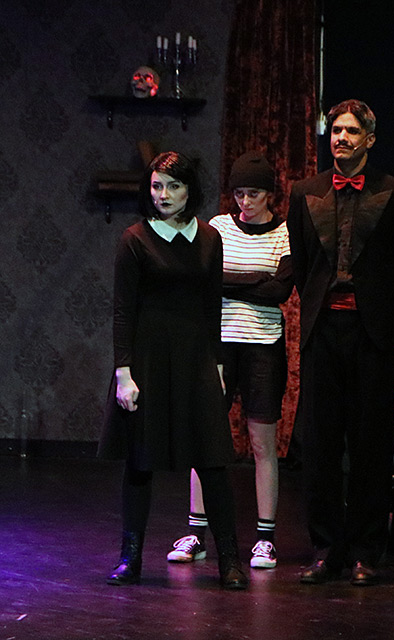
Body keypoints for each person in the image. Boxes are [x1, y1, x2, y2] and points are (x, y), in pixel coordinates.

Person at [98, 151, 247, 590]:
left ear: (189, 190)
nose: (163, 195)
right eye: (157, 186)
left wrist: (218, 364)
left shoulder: (209, 238)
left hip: (196, 359)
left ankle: (230, 560)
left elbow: (212, 306)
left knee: (213, 462)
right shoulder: (134, 239)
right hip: (148, 360)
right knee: (140, 462)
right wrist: (124, 372)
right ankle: (130, 558)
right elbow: (123, 311)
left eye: (173, 186)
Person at [287, 99, 394, 586]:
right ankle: (325, 548)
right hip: (323, 329)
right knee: (320, 443)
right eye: (336, 130)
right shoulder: (305, 191)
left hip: (372, 332)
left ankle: (366, 550)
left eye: (351, 131)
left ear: (370, 139)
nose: (341, 138)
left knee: (370, 443)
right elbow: (302, 262)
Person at [166, 152, 292, 570]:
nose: (245, 202)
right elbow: (205, 280)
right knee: (205, 436)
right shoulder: (219, 228)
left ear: (269, 194)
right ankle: (196, 533)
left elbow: (279, 291)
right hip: (218, 345)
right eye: (239, 194)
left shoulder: (285, 234)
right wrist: (255, 280)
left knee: (261, 442)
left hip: (263, 346)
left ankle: (265, 538)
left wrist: (232, 283)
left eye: (253, 194)